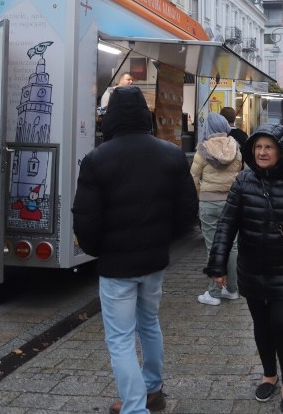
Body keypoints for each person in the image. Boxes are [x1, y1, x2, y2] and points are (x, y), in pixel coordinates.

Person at [73, 86, 197, 414]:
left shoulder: (96, 159)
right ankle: (153, 389)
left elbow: (85, 220)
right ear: (146, 114)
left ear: (110, 117)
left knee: (120, 338)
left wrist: (98, 249)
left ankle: (134, 407)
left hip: (116, 265)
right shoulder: (171, 154)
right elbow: (187, 211)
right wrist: (163, 237)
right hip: (155, 259)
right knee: (149, 323)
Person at [205, 124, 283, 414]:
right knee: (262, 326)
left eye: (269, 147)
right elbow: (227, 224)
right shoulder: (243, 181)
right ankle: (268, 374)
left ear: (281, 150)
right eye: (258, 147)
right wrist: (218, 264)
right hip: (253, 269)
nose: (262, 152)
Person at [190, 112, 244, 306]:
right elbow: (240, 175)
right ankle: (232, 289)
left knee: (213, 246)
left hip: (209, 202)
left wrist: (200, 195)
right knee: (233, 245)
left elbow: (193, 178)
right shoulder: (235, 148)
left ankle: (214, 292)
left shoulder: (203, 149)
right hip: (231, 203)